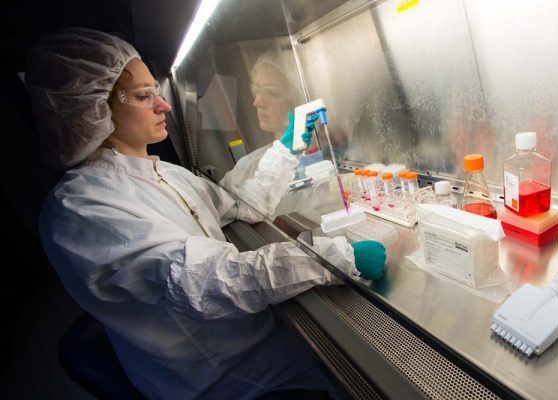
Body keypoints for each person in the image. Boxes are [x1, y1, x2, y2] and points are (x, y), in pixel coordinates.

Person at [26, 27, 386, 399]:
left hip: (254, 340)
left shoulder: (166, 173)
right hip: (218, 378)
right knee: (372, 377)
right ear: (95, 107)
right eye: (142, 95)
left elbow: (241, 205)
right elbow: (202, 283)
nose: (163, 105)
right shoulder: (81, 208)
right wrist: (331, 260)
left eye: (157, 91)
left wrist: (287, 147)